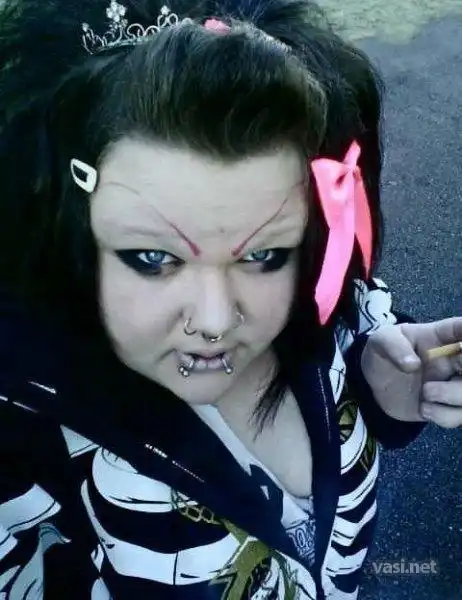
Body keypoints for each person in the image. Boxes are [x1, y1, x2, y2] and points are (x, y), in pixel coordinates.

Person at [0, 0, 460, 598]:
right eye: (152, 258)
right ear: (77, 234)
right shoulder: (24, 443)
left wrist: (377, 388)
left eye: (263, 254)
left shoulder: (323, 298)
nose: (216, 320)